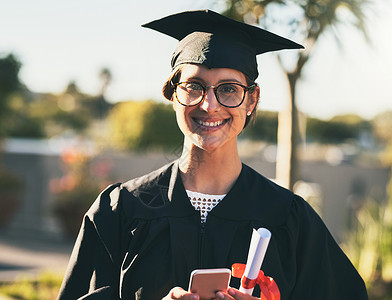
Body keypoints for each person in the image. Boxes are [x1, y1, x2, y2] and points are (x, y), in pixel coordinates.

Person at [57, 10, 368, 300]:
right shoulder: (120, 211)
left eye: (229, 89)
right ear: (172, 94)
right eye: (194, 86)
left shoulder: (288, 218)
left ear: (251, 100)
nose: (209, 105)